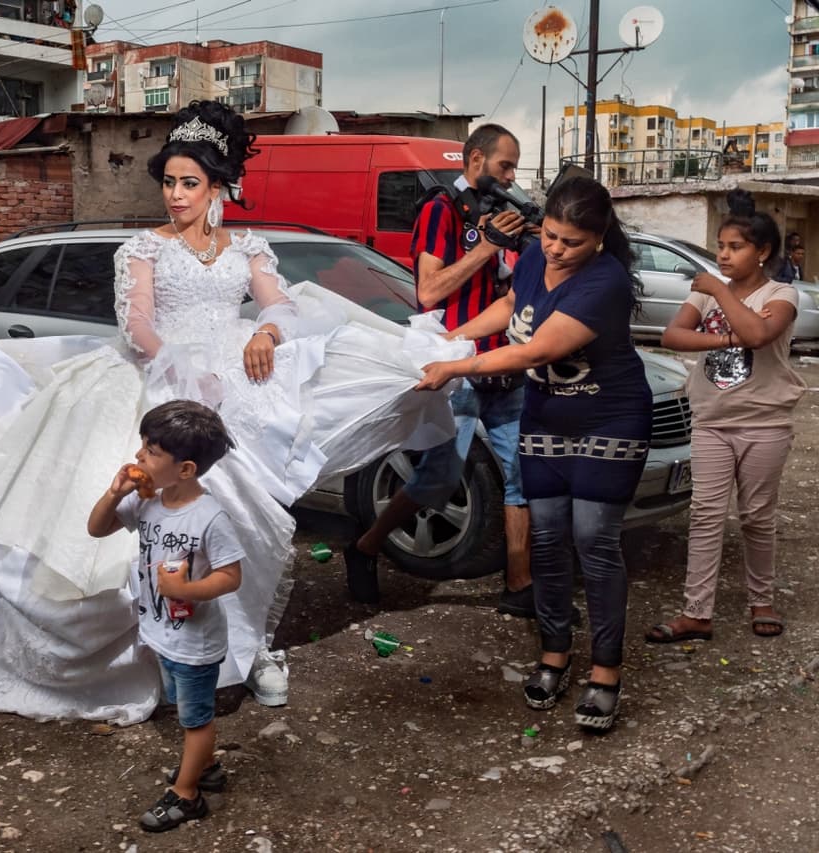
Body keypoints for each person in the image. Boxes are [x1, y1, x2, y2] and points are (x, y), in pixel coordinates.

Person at [0, 100, 468, 725]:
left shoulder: (248, 247)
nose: (175, 195)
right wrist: (179, 369)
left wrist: (268, 336)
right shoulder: (143, 248)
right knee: (151, 521)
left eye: (189, 183)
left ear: (217, 186)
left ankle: (241, 647)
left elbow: (279, 305)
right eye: (169, 182)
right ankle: (164, 651)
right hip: (155, 379)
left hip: (241, 381)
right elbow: (137, 322)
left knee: (242, 513)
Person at [417, 175, 651, 732]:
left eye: (570, 242)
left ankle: (605, 670)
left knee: (594, 540)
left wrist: (458, 366)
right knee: (545, 540)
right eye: (549, 235)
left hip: (609, 421)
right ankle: (553, 654)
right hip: (546, 418)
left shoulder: (605, 281)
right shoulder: (531, 258)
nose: (555, 248)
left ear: (597, 238)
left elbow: (537, 349)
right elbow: (512, 307)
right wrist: (453, 339)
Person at [343, 124, 534, 614]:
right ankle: (366, 547)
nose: (511, 177)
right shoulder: (440, 210)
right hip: (457, 369)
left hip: (502, 363)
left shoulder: (503, 214)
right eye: (504, 166)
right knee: (438, 478)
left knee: (521, 479)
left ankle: (519, 586)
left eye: (514, 168)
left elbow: (511, 291)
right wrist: (486, 248)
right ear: (474, 162)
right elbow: (429, 291)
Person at [645, 190, 803, 645]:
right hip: (713, 420)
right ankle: (697, 612)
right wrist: (720, 339)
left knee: (756, 516)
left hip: (764, 423)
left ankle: (762, 600)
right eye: (721, 246)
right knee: (706, 515)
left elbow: (757, 334)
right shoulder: (709, 298)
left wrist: (718, 292)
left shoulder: (782, 293)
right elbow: (674, 335)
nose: (724, 255)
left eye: (735, 247)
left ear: (763, 253)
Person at [87, 401, 241, 831]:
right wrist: (115, 492)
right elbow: (97, 528)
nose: (139, 457)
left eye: (151, 452)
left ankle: (188, 795)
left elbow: (231, 576)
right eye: (142, 446)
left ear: (186, 469)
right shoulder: (147, 502)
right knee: (181, 706)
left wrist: (187, 589)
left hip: (195, 641)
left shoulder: (210, 518)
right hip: (162, 632)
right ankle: (204, 769)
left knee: (196, 720)